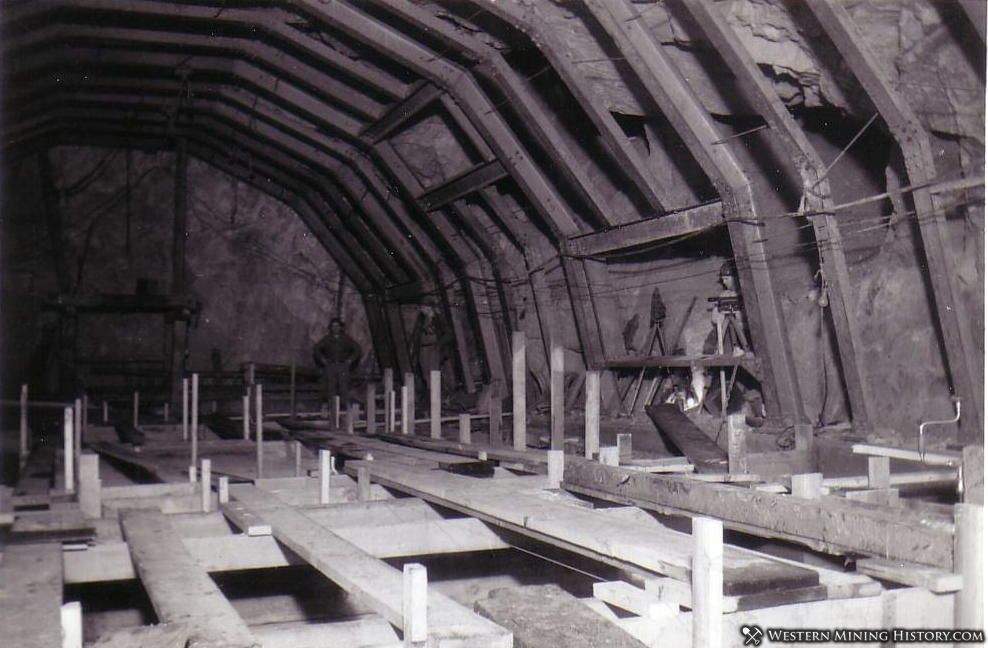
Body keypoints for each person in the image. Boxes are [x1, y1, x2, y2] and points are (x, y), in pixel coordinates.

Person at [313, 318, 361, 410]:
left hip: (343, 366)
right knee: (330, 388)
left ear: (341, 328)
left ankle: (347, 409)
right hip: (331, 366)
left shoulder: (346, 339)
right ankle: (331, 410)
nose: (335, 328)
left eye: (337, 326)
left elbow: (357, 349)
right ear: (330, 328)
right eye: (333, 326)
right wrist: (323, 360)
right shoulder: (327, 339)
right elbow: (316, 349)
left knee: (344, 388)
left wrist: (350, 360)